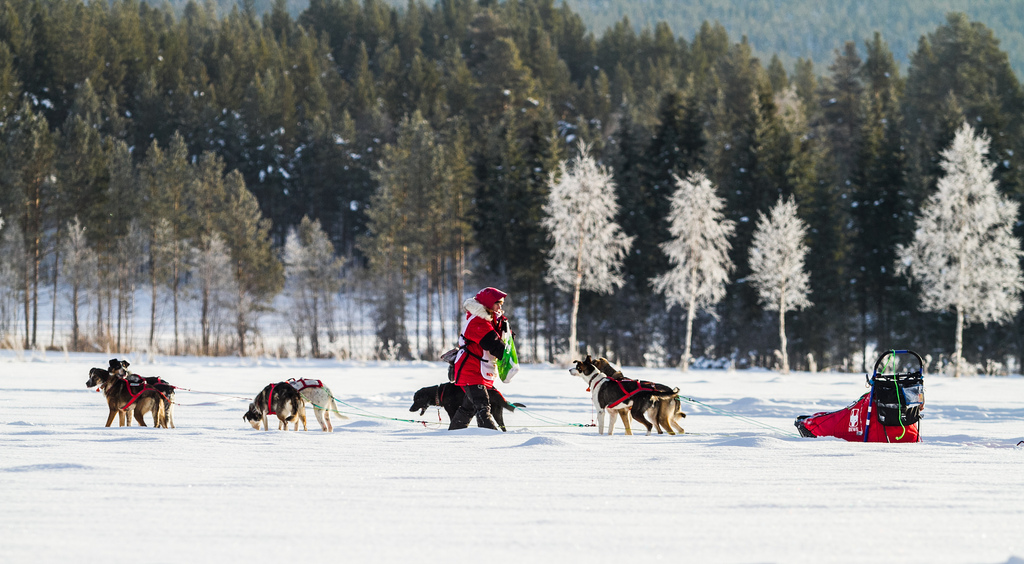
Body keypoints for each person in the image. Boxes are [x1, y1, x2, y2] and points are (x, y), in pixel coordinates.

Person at [449, 287, 510, 430]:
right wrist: (508, 359)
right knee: (483, 407)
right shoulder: (478, 321)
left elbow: (507, 340)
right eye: (497, 303)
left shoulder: (492, 320)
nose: (500, 307)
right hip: (470, 371)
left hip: (481, 371)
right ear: (488, 304)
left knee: (468, 408)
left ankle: (453, 434)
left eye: (501, 304)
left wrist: (503, 324)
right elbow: (494, 344)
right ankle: (491, 436)